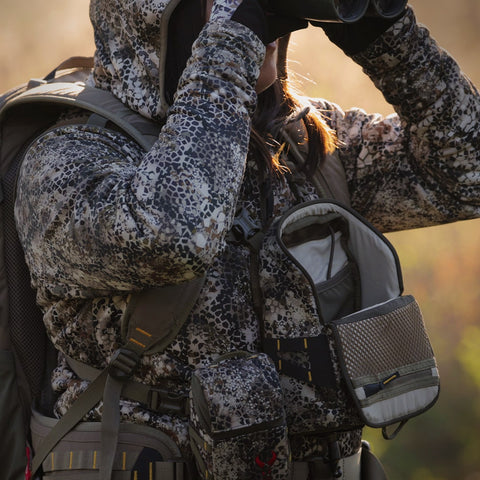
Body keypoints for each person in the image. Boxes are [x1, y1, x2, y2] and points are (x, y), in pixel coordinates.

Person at [14, 0, 480, 478]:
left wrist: (387, 37)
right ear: (151, 19)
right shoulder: (69, 159)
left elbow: (469, 172)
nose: (256, 18)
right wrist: (233, 40)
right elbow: (177, 233)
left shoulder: (301, 145)